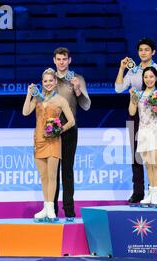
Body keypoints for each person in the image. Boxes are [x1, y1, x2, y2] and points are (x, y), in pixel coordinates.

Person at [115, 38, 157, 204]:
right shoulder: (133, 71)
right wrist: (122, 68)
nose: (143, 52)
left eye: (147, 49)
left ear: (153, 52)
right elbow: (118, 89)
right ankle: (138, 192)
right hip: (135, 114)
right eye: (141, 50)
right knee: (138, 156)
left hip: (154, 116)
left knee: (154, 158)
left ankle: (154, 191)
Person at [22, 68, 76, 222]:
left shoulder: (60, 100)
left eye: (51, 81)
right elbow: (25, 112)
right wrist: (29, 94)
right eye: (45, 81)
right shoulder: (37, 98)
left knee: (52, 177)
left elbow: (71, 121)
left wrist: (59, 130)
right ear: (42, 82)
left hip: (53, 141)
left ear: (55, 82)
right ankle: (45, 208)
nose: (48, 83)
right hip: (39, 140)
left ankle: (51, 208)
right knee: (44, 177)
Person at [52, 47, 91, 221]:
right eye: (58, 59)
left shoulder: (78, 79)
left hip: (70, 130)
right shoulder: (49, 78)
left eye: (64, 59)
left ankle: (69, 210)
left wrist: (77, 90)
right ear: (54, 60)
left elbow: (85, 105)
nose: (61, 62)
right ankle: (51, 208)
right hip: (51, 131)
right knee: (52, 172)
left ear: (70, 60)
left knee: (67, 170)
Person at [128, 67, 157, 207]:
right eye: (146, 77)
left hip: (155, 130)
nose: (149, 79)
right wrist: (132, 97)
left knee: (155, 163)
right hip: (143, 132)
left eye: (151, 77)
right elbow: (132, 112)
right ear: (143, 79)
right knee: (148, 165)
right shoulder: (138, 95)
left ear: (155, 78)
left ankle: (156, 194)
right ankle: (150, 194)